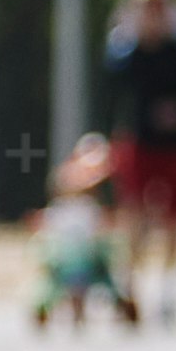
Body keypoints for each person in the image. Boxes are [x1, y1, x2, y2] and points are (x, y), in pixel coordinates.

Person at [96, 0, 176, 326]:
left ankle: (168, 290)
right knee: (132, 216)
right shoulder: (125, 53)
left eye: (160, 7)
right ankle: (130, 288)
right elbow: (107, 97)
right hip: (136, 144)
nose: (154, 14)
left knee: (175, 221)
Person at [29, 136, 138, 332]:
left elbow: (110, 224)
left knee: (106, 263)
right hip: (66, 258)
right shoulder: (62, 207)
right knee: (52, 270)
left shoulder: (94, 204)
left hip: (91, 257)